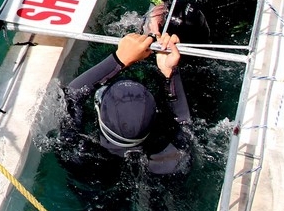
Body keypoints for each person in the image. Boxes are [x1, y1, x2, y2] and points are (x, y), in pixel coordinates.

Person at [60, 32, 191, 177]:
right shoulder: (172, 161)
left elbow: (70, 96)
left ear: (98, 109)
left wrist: (119, 59)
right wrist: (170, 72)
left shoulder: (82, 157)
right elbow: (182, 123)